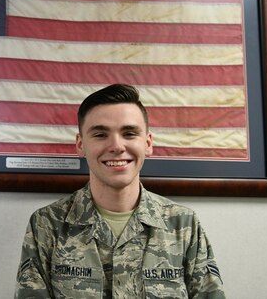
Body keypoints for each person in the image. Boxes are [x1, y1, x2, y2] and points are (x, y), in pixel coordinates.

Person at [14, 84, 225, 298]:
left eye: (129, 133)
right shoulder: (48, 224)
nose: (116, 146)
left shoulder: (183, 224)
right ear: (80, 145)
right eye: (100, 135)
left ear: (148, 143)